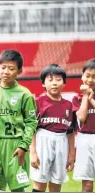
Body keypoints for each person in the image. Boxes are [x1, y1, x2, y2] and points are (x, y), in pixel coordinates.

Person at [0, 49, 38, 192]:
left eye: (11, 68)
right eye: (3, 67)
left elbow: (31, 122)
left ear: (19, 71)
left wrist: (24, 146)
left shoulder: (25, 94)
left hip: (15, 145)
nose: (6, 71)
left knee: (18, 187)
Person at [30, 64, 75, 192]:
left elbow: (70, 132)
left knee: (56, 184)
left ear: (64, 83)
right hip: (43, 142)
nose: (54, 83)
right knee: (40, 184)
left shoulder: (68, 105)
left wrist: (71, 155)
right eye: (50, 80)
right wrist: (33, 153)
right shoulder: (38, 102)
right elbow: (31, 129)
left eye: (58, 80)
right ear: (43, 83)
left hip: (61, 143)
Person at [72, 59, 95, 192]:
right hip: (84, 140)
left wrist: (91, 98)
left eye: (94, 77)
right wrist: (86, 97)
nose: (90, 80)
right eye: (87, 76)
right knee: (87, 185)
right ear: (82, 76)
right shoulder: (78, 99)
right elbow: (81, 117)